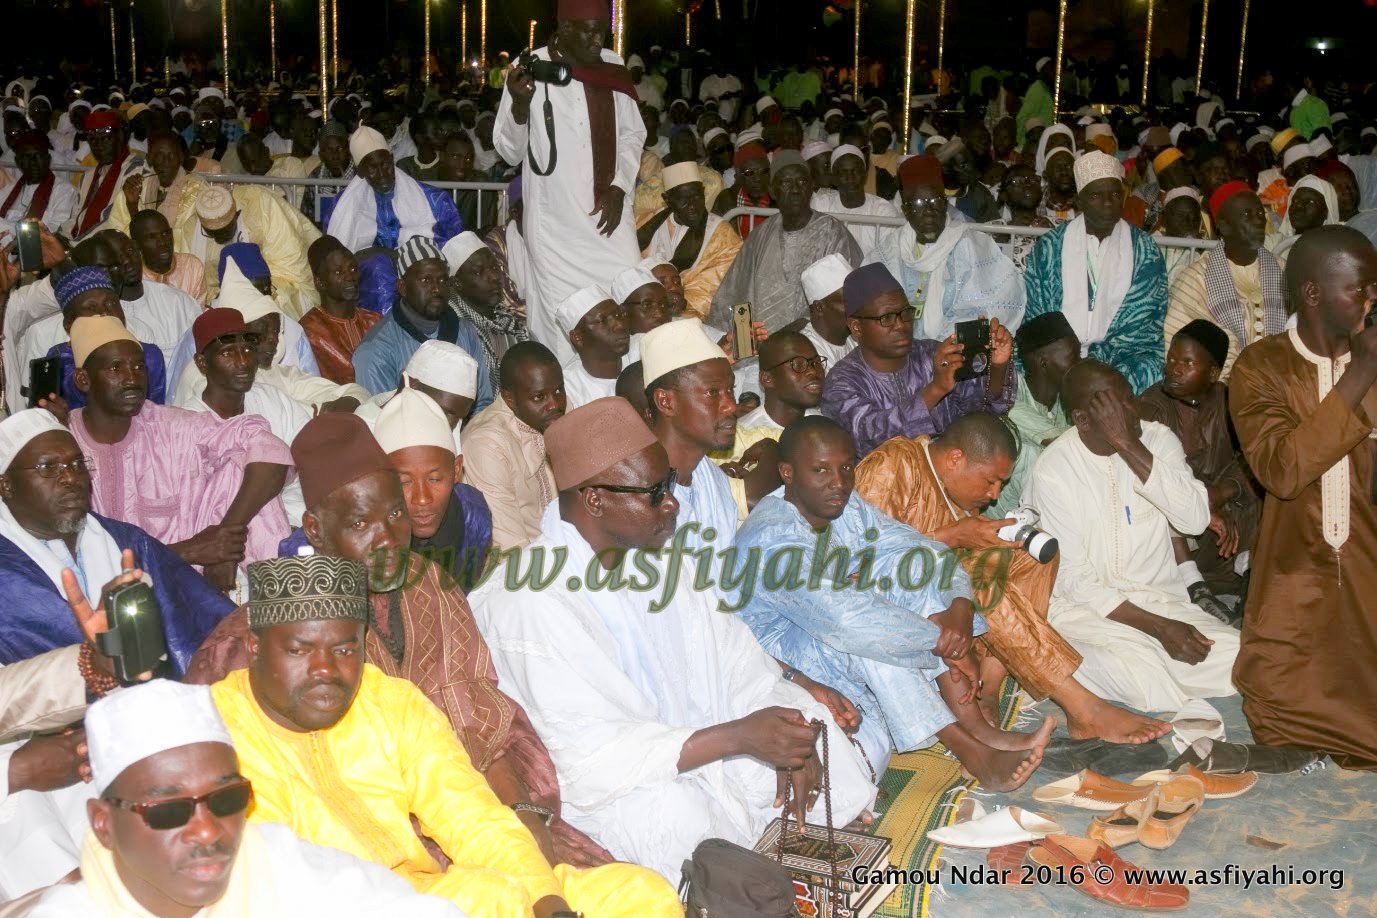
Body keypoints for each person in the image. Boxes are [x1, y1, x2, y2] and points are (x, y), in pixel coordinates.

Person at [471, 397, 877, 881]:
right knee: (673, 814)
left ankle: (770, 864)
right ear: (595, 499)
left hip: (704, 745)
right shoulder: (526, 600)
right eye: (655, 491)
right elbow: (590, 758)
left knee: (813, 724)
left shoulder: (662, 556)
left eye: (669, 484)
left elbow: (737, 661)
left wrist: (783, 731)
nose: (673, 503)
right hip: (612, 792)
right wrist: (737, 737)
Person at [207, 550, 679, 915]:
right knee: (483, 898)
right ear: (253, 647)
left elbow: (474, 819)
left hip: (439, 893)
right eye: (300, 650)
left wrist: (548, 904)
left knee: (639, 894)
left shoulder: (390, 701)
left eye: (345, 648)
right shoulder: (213, 735)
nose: (327, 670)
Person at [736, 416, 1058, 784]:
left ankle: (978, 727)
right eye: (821, 470)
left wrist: (958, 608)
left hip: (839, 633)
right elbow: (846, 622)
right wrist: (943, 642)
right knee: (871, 633)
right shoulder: (773, 539)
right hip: (782, 660)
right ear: (788, 474)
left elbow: (915, 547)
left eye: (845, 468)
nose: (839, 482)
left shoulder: (843, 505)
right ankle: (971, 751)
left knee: (910, 578)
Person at [855, 412, 1170, 743]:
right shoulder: (896, 463)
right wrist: (953, 535)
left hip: (948, 603)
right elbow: (859, 565)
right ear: (955, 459)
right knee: (980, 581)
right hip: (887, 613)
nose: (994, 495)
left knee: (1036, 552)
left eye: (1001, 484)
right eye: (990, 481)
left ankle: (988, 689)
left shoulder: (953, 488)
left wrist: (977, 535)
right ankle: (1083, 710)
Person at [29, 679, 462, 916]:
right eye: (169, 810)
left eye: (225, 799)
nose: (207, 829)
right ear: (103, 823)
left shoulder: (271, 857)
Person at [1228, 226, 1377, 769]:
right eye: (1360, 289)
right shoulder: (1259, 367)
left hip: (1368, 580)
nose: (1372, 300)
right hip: (1292, 582)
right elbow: (1283, 471)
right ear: (1313, 293)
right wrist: (1361, 374)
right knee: (1281, 712)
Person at [1025, 360, 1240, 711]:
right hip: (1087, 616)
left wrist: (1128, 445)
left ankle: (1150, 668)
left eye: (1130, 397)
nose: (1134, 409)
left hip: (1162, 604)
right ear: (1082, 420)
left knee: (1239, 659)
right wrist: (1159, 629)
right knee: (1143, 678)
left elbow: (1195, 519)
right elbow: (1075, 582)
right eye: (1116, 406)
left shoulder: (1157, 440)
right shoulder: (1054, 471)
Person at [67, 315, 293, 592]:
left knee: (237, 469)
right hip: (99, 600)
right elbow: (78, 561)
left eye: (139, 367)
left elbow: (267, 448)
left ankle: (286, 600)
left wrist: (225, 536)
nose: (132, 379)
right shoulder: (62, 446)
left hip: (184, 590)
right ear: (83, 380)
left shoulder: (170, 426)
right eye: (116, 368)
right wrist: (191, 550)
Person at [0, 407, 232, 669]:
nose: (71, 478)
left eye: (78, 464)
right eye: (48, 468)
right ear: (6, 485)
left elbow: (205, 618)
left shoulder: (126, 540)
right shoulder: (6, 573)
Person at [494, 2, 646, 374]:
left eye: (601, 31)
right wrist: (518, 105)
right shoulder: (529, 67)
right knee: (562, 319)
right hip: (555, 226)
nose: (597, 40)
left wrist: (620, 185)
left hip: (609, 216)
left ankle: (625, 390)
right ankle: (564, 398)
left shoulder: (612, 66)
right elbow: (507, 149)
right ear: (563, 27)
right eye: (587, 31)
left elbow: (632, 134)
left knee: (628, 297)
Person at [822, 262, 1016, 457]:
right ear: (856, 327)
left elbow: (982, 412)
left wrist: (998, 366)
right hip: (880, 484)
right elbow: (867, 438)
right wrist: (935, 389)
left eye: (906, 313)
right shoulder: (840, 383)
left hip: (950, 477)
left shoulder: (932, 354)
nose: (901, 325)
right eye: (887, 318)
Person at [1023, 150, 1170, 394]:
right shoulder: (1050, 247)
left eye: (1115, 194)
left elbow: (1146, 319)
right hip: (1059, 355)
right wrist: (1067, 355)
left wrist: (1095, 359)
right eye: (1096, 196)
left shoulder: (1145, 248)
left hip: (1122, 357)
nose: (1108, 202)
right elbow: (1038, 315)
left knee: (1148, 371)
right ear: (1079, 201)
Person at [1138, 320, 1259, 609]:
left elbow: (1253, 456)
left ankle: (1250, 577)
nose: (1174, 368)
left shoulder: (1230, 402)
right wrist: (1200, 499)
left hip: (1225, 513)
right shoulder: (1150, 407)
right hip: (1177, 520)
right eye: (1171, 359)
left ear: (1213, 373)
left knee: (1265, 485)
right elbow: (1154, 475)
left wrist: (1223, 492)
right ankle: (1195, 587)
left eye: (1187, 362)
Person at [175, 301, 312, 525]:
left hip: (298, 512)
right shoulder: (187, 424)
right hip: (229, 528)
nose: (243, 362)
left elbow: (310, 451)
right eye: (228, 353)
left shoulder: (272, 398)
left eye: (247, 350)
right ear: (202, 363)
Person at [709, 150, 861, 334]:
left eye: (802, 181)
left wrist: (790, 336)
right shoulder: (760, 236)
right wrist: (744, 347)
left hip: (815, 343)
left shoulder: (833, 233)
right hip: (759, 345)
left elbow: (845, 302)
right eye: (786, 182)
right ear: (772, 190)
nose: (796, 189)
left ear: (811, 186)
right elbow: (736, 294)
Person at [883, 154, 1025, 340]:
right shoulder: (888, 251)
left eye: (935, 201)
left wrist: (940, 343)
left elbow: (998, 302)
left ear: (945, 204)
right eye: (918, 203)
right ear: (905, 211)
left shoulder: (972, 245)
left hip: (956, 352)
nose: (929, 212)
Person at [352, 236, 494, 415]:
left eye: (442, 280)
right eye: (426, 280)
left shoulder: (465, 331)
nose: (436, 288)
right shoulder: (375, 351)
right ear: (402, 287)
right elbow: (380, 420)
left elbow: (483, 404)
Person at [1164, 182, 1285, 379]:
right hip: (1217, 388)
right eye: (1246, 215)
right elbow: (1180, 350)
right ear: (1223, 225)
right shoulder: (1195, 280)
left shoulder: (1285, 270)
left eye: (1260, 214)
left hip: (1280, 382)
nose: (1258, 221)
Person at [375, 385, 491, 590]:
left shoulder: (471, 515)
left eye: (435, 479)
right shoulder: (357, 535)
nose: (422, 499)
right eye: (404, 483)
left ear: (456, 470)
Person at [463, 342, 566, 550]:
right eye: (539, 397)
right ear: (509, 398)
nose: (554, 404)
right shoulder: (486, 445)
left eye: (558, 391)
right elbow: (509, 547)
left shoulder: (551, 413)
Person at [189, 184, 319, 319]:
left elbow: (291, 264)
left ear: (237, 215)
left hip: (271, 283)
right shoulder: (193, 230)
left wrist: (251, 289)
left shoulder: (261, 204)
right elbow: (207, 282)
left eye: (225, 231)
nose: (219, 238)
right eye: (213, 234)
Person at [324, 126, 463, 251]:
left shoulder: (435, 199)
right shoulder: (341, 206)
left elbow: (454, 244)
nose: (382, 174)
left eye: (385, 164)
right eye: (372, 167)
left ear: (392, 159)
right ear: (360, 171)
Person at [642, 161, 742, 320]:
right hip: (645, 310)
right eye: (683, 199)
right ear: (667, 199)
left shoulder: (722, 235)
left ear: (703, 192)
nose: (693, 206)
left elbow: (715, 288)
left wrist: (683, 302)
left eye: (697, 196)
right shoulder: (644, 223)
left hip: (691, 315)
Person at [442, 231, 529, 392]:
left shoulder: (508, 320)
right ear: (456, 283)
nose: (494, 277)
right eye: (478, 272)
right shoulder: (452, 330)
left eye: (495, 267)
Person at [299, 235, 382, 384]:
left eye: (353, 269)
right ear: (320, 283)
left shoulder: (375, 321)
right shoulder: (308, 331)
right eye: (339, 272)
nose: (350, 277)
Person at [810, 144, 901, 266]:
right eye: (843, 172)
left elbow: (890, 259)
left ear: (865, 175)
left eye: (856, 171)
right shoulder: (821, 205)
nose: (850, 178)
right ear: (834, 178)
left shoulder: (883, 211)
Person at [69, 111, 144, 239]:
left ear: (120, 136)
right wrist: (62, 237)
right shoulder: (88, 176)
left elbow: (113, 219)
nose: (99, 146)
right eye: (93, 140)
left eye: (105, 138)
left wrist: (76, 244)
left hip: (113, 244)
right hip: (81, 243)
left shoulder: (136, 167)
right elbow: (75, 218)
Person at [556, 284, 629, 409]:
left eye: (618, 315)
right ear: (578, 338)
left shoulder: (643, 352)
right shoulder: (568, 390)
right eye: (602, 320)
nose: (620, 325)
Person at [131, 208, 208, 306]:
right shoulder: (133, 278)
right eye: (151, 237)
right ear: (136, 244)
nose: (162, 242)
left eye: (165, 233)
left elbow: (199, 314)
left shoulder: (192, 266)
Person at [798, 253, 856, 366]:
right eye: (848, 300)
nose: (857, 304)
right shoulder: (805, 354)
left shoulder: (855, 339)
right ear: (819, 307)